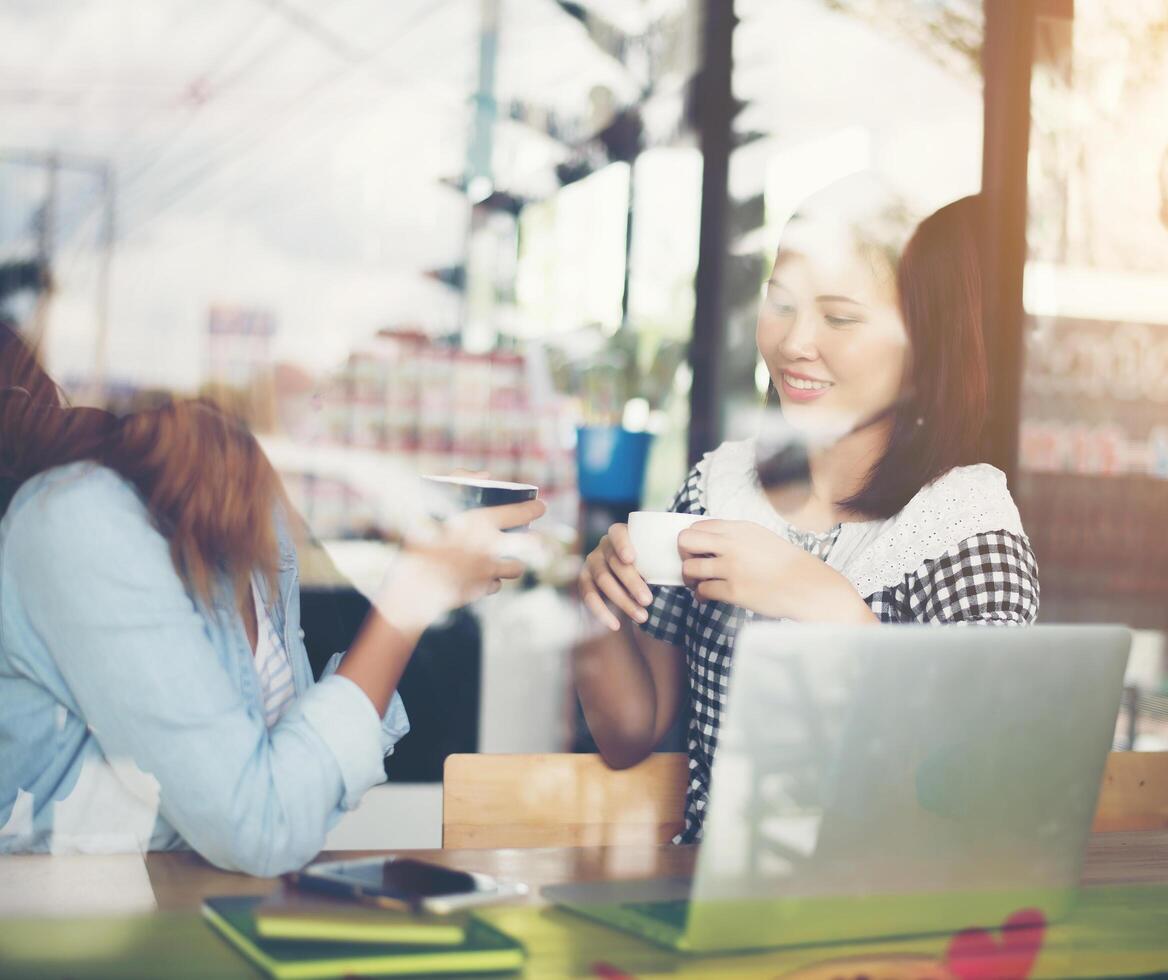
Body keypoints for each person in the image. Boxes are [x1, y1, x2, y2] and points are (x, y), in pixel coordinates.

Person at [575, 179, 1041, 842]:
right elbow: (630, 733)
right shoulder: (722, 486)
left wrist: (825, 603)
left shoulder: (963, 525)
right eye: (781, 305)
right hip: (708, 908)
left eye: (840, 317)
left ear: (921, 345)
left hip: (882, 923)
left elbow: (984, 791)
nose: (795, 342)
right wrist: (598, 608)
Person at [0, 321, 543, 874]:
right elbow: (260, 827)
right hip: (70, 937)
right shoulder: (80, 519)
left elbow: (298, 783)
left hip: (201, 928)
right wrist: (411, 598)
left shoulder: (250, 516)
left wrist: (417, 580)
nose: (332, 378)